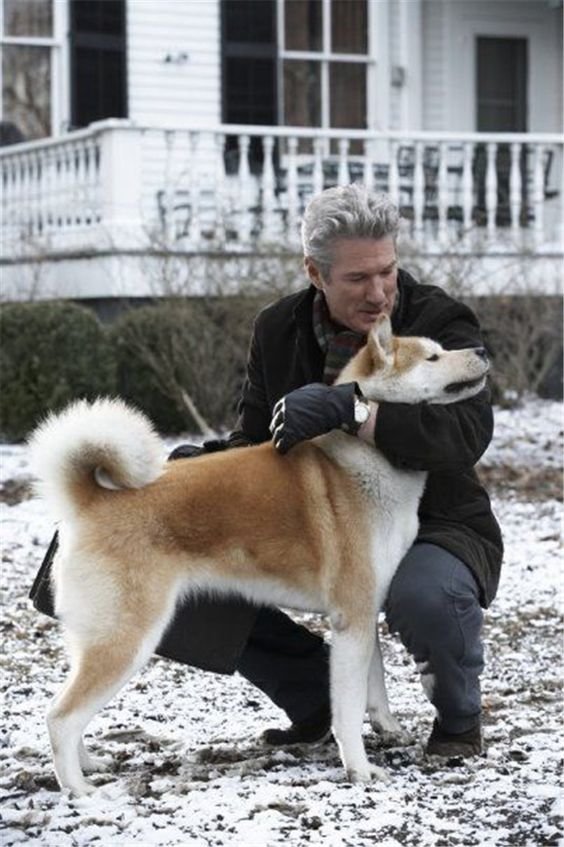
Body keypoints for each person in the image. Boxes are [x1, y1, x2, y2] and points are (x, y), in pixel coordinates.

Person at [170, 184, 503, 758]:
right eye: (357, 278)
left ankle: (457, 716)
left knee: (427, 594)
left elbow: (466, 435)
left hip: (433, 522)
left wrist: (354, 410)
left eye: (387, 271)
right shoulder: (277, 327)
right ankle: (315, 693)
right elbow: (258, 436)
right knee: (170, 550)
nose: (379, 293)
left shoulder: (437, 318)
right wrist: (203, 470)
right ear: (315, 273)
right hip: (314, 524)